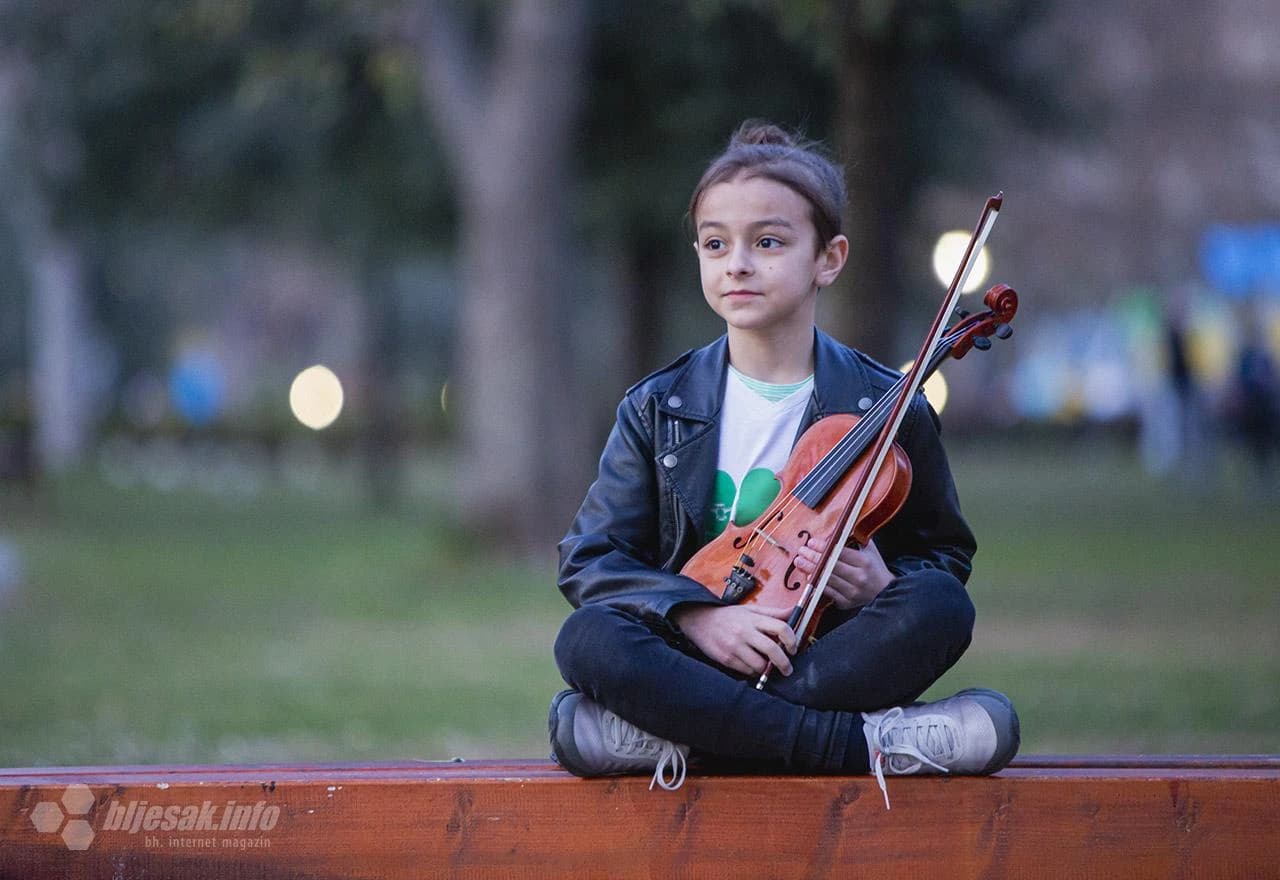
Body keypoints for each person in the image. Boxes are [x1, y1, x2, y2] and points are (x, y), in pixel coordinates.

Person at [548, 121, 1019, 807]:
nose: (737, 263)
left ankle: (686, 739)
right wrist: (697, 617)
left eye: (767, 242)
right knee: (587, 637)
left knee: (942, 607)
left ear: (829, 258)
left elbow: (941, 558)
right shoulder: (657, 408)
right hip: (696, 658)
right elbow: (591, 563)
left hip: (827, 659)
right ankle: (858, 746)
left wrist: (882, 584)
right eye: (716, 244)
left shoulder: (886, 409)